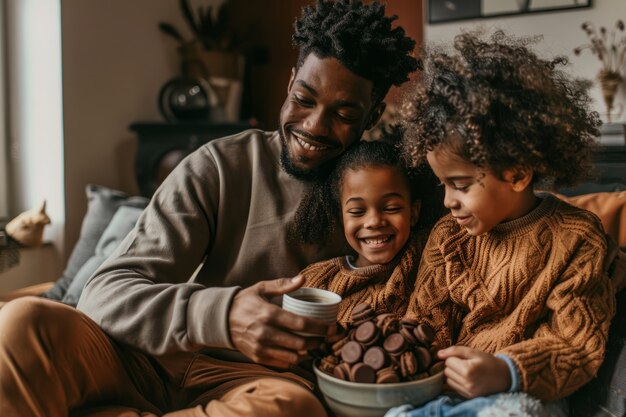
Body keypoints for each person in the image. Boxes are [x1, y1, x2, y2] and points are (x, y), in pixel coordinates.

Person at [0, 1, 418, 417]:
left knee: (290, 408)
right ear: (290, 82)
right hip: (150, 360)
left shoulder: (384, 195)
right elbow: (102, 296)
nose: (314, 126)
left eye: (344, 114)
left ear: (373, 114)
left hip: (256, 383)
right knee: (24, 322)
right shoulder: (222, 164)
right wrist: (223, 313)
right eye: (304, 99)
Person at [385, 30, 616, 417]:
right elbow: (424, 322)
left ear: (517, 174)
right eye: (442, 185)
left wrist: (507, 370)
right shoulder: (448, 237)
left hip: (524, 392)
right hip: (444, 393)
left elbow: (577, 346)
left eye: (459, 185)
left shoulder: (577, 238)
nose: (447, 201)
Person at [292, 139, 441, 326]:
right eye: (357, 211)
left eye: (391, 208)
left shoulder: (433, 260)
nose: (374, 222)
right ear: (342, 217)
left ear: (413, 212)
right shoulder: (317, 280)